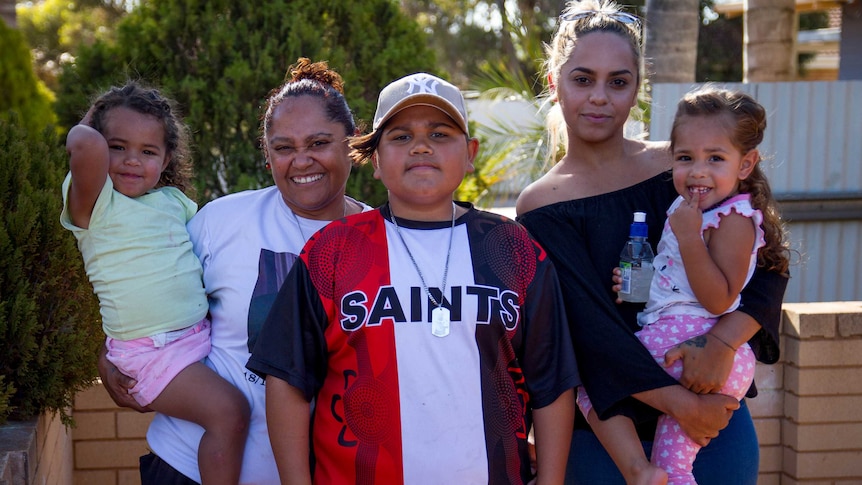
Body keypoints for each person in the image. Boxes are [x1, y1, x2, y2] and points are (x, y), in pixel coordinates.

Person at [246, 72, 580, 485]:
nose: (421, 146)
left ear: (470, 153)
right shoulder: (331, 251)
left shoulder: (513, 248)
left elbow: (552, 382)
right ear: (373, 158)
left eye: (440, 134)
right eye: (401, 137)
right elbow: (286, 382)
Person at [515, 2, 789, 484]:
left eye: (618, 82)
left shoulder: (685, 164)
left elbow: (767, 262)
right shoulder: (541, 205)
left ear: (637, 89)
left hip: (711, 426)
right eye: (583, 79)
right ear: (555, 83)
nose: (600, 97)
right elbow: (586, 328)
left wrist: (723, 342)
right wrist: (680, 404)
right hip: (606, 437)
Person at [96, 59, 370, 484]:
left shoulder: (382, 243)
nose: (301, 161)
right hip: (188, 467)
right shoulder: (222, 222)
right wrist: (111, 354)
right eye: (283, 148)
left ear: (350, 142)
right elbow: (139, 283)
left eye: (318, 142)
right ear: (266, 154)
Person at [575, 86, 790, 485]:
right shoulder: (694, 205)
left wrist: (689, 238)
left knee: (592, 383)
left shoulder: (733, 219)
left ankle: (637, 470)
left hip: (695, 343)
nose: (698, 171)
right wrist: (643, 282)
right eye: (685, 158)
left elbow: (718, 298)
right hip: (686, 340)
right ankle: (654, 474)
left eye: (715, 158)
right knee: (676, 466)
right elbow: (681, 281)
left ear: (746, 165)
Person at [62, 82, 250, 485]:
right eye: (118, 146)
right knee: (230, 412)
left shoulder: (172, 203)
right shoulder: (95, 205)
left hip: (195, 340)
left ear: (166, 159)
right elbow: (82, 144)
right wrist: (93, 118)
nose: (132, 161)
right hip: (151, 353)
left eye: (148, 152)